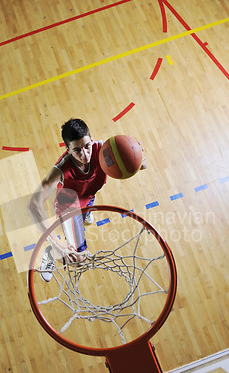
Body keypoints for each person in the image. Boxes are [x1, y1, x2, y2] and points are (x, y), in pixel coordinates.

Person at [27, 118, 146, 281]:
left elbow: (132, 159)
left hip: (88, 196)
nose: (85, 154)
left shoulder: (105, 150)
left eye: (87, 146)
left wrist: (136, 158)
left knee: (87, 206)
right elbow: (33, 206)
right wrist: (57, 243)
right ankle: (51, 252)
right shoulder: (61, 169)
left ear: (91, 138)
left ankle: (85, 215)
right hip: (70, 208)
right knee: (78, 260)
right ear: (67, 149)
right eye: (77, 150)